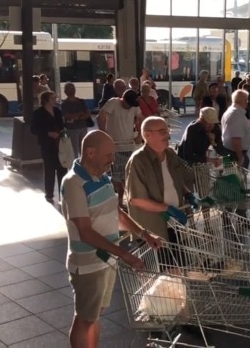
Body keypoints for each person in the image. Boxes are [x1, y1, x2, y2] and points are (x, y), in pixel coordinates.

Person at [61, 129, 162, 348]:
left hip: (107, 260)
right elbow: (85, 232)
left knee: (95, 315)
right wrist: (125, 255)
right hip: (88, 264)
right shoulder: (74, 183)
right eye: (108, 155)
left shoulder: (103, 178)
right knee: (85, 318)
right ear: (90, 153)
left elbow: (117, 213)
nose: (112, 160)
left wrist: (143, 234)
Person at [126, 117, 194, 243]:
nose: (168, 136)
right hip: (154, 231)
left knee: (182, 261)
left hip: (176, 224)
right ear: (147, 135)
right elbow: (136, 199)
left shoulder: (170, 154)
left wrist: (188, 193)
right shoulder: (138, 161)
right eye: (162, 132)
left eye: (167, 131)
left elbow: (177, 180)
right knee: (164, 262)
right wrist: (166, 208)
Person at [97, 88, 144, 207]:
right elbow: (101, 117)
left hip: (128, 144)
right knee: (118, 175)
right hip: (115, 145)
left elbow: (140, 117)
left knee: (125, 174)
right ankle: (119, 200)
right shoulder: (113, 102)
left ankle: (122, 200)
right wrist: (104, 135)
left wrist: (139, 133)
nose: (129, 107)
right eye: (128, 104)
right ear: (123, 99)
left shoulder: (133, 105)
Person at [31, 91, 67, 203]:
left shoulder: (57, 111)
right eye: (52, 98)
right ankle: (49, 193)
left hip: (59, 142)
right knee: (49, 169)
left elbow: (62, 125)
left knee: (62, 168)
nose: (55, 100)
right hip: (46, 144)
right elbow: (34, 129)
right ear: (46, 100)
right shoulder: (38, 113)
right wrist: (47, 133)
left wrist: (61, 132)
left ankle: (63, 193)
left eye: (55, 98)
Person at [221, 89, 250, 169]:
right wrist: (240, 157)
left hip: (230, 151)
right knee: (237, 178)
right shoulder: (237, 114)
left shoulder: (231, 110)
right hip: (235, 153)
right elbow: (236, 138)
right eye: (247, 100)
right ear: (245, 101)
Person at [61, 82, 91, 158]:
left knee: (84, 149)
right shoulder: (65, 104)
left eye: (73, 88)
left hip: (83, 128)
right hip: (72, 130)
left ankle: (84, 166)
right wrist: (80, 115)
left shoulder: (81, 101)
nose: (72, 90)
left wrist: (76, 116)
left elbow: (87, 114)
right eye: (69, 89)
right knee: (73, 150)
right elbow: (68, 116)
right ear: (65, 91)